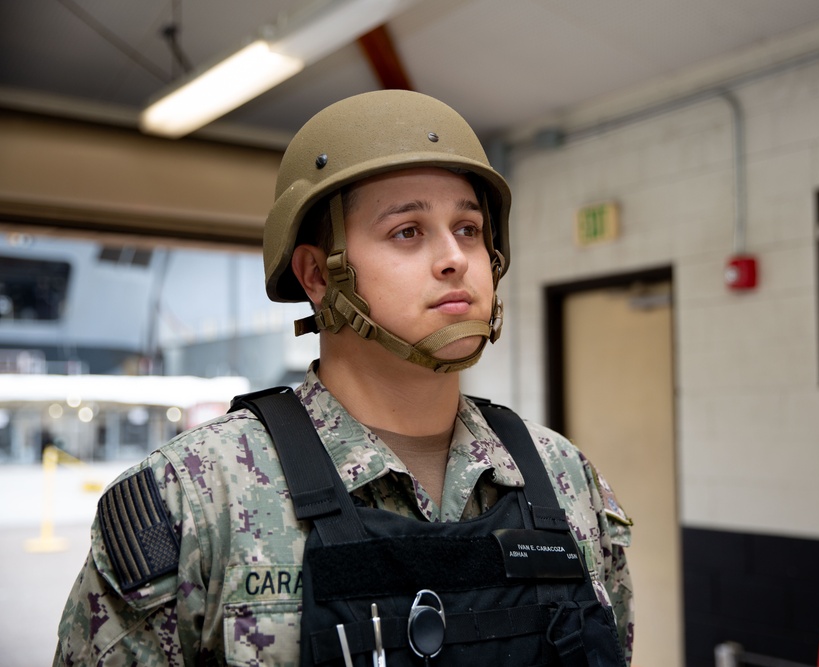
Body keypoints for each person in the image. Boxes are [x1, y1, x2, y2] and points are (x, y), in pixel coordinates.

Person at [54, 90, 633, 666]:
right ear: (318, 275)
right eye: (407, 230)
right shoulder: (197, 498)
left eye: (469, 229)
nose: (454, 258)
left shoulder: (564, 479)